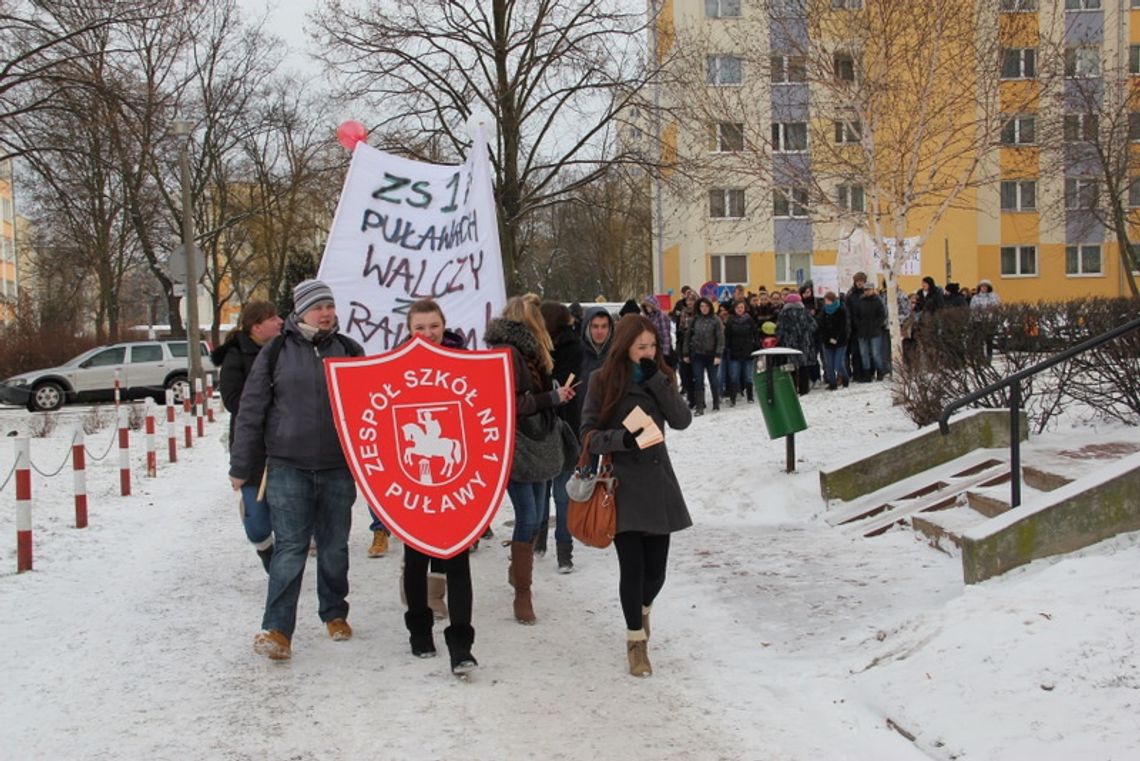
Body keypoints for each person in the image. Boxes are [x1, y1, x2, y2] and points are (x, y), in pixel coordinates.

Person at [229, 279, 364, 661]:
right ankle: (278, 630)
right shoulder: (275, 353)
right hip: (288, 467)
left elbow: (369, 409)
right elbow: (251, 412)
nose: (325, 313)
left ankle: (335, 613)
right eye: (317, 307)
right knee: (289, 548)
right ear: (300, 310)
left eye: (329, 306)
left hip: (338, 467)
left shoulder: (350, 351)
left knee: (335, 547)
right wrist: (241, 466)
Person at [580, 315, 692, 677]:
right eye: (640, 346)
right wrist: (621, 440)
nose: (647, 352)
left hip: (658, 483)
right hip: (623, 485)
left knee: (656, 574)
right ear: (624, 345)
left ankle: (643, 609)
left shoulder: (662, 376)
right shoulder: (602, 380)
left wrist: (659, 380)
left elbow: (681, 420)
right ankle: (635, 643)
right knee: (633, 568)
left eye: (652, 346)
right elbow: (588, 435)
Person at [485, 294, 576, 624]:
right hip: (518, 444)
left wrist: (554, 396)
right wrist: (551, 396)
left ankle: (518, 572)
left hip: (537, 441)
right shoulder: (508, 353)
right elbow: (510, 403)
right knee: (528, 515)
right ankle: (523, 591)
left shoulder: (527, 353)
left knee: (536, 516)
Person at [397, 299, 478, 673]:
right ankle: (419, 630)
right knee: (415, 560)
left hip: (456, 484)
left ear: (444, 326)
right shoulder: (394, 369)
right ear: (408, 331)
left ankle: (461, 644)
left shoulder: (468, 364)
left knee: (457, 561)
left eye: (433, 326)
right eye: (419, 327)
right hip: (412, 483)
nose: (427, 333)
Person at [210, 301, 283, 572]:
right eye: (273, 318)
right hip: (251, 445)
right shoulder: (235, 356)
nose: (280, 321)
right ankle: (265, 548)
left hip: (284, 441)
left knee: (287, 506)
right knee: (258, 519)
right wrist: (269, 400)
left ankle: (285, 564)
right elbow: (232, 401)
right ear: (257, 327)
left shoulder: (284, 349)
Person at [536, 301, 584, 573]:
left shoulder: (569, 349)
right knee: (548, 490)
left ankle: (561, 547)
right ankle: (546, 541)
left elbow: (569, 385)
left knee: (559, 491)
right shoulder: (536, 350)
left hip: (559, 424)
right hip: (552, 424)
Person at [682, 297, 724, 415]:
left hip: (711, 355)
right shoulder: (694, 320)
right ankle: (699, 406)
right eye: (701, 306)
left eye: (706, 306)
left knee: (713, 380)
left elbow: (720, 339)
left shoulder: (716, 320)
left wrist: (718, 354)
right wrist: (686, 353)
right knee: (698, 380)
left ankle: (716, 403)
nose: (704, 309)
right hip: (697, 355)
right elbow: (687, 337)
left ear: (710, 307)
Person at [776, 292, 816, 395]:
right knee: (803, 366)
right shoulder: (804, 312)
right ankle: (804, 389)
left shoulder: (783, 313)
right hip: (804, 343)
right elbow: (814, 326)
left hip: (789, 344)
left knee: (791, 366)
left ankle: (792, 389)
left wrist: (782, 338)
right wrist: (806, 334)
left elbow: (779, 329)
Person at [851, 282, 888, 381]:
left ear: (873, 290)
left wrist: (877, 325)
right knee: (864, 354)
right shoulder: (861, 301)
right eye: (865, 290)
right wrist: (859, 325)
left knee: (876, 353)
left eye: (869, 289)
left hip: (875, 331)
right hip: (862, 332)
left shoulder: (878, 301)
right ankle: (867, 373)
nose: (867, 291)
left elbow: (882, 315)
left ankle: (880, 371)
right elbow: (856, 315)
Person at [723, 300, 758, 405]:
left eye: (741, 307)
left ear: (744, 308)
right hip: (734, 352)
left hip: (748, 351)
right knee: (734, 376)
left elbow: (755, 334)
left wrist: (755, 346)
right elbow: (727, 336)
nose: (740, 309)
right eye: (738, 307)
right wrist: (727, 348)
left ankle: (750, 397)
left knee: (748, 376)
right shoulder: (730, 321)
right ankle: (733, 398)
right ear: (734, 309)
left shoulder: (749, 320)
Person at [815, 291, 849, 390]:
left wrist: (836, 337)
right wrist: (826, 337)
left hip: (840, 341)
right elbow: (821, 325)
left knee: (837, 364)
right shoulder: (824, 311)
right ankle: (832, 383)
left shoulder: (841, 310)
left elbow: (843, 327)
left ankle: (845, 378)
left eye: (828, 300)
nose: (826, 302)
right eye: (825, 300)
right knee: (829, 364)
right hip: (827, 341)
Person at [641, 295, 676, 368]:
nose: (647, 308)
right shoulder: (647, 318)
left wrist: (665, 353)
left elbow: (665, 335)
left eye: (649, 306)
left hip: (661, 349)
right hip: (651, 349)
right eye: (646, 306)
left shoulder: (661, 316)